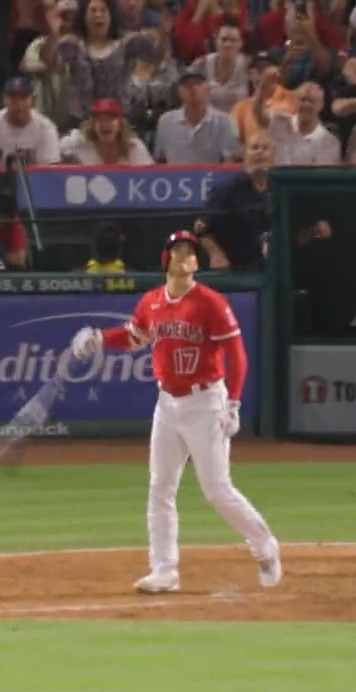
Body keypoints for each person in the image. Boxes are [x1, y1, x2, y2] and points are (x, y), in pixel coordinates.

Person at [69, 230, 282, 593]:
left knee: (216, 489)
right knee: (160, 488)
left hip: (205, 402)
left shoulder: (211, 303)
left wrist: (234, 402)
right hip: (167, 404)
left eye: (190, 252)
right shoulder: (152, 302)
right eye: (178, 250)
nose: (185, 256)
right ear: (166, 259)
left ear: (197, 262)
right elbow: (134, 337)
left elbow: (237, 355)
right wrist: (100, 339)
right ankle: (164, 570)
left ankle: (265, 546)